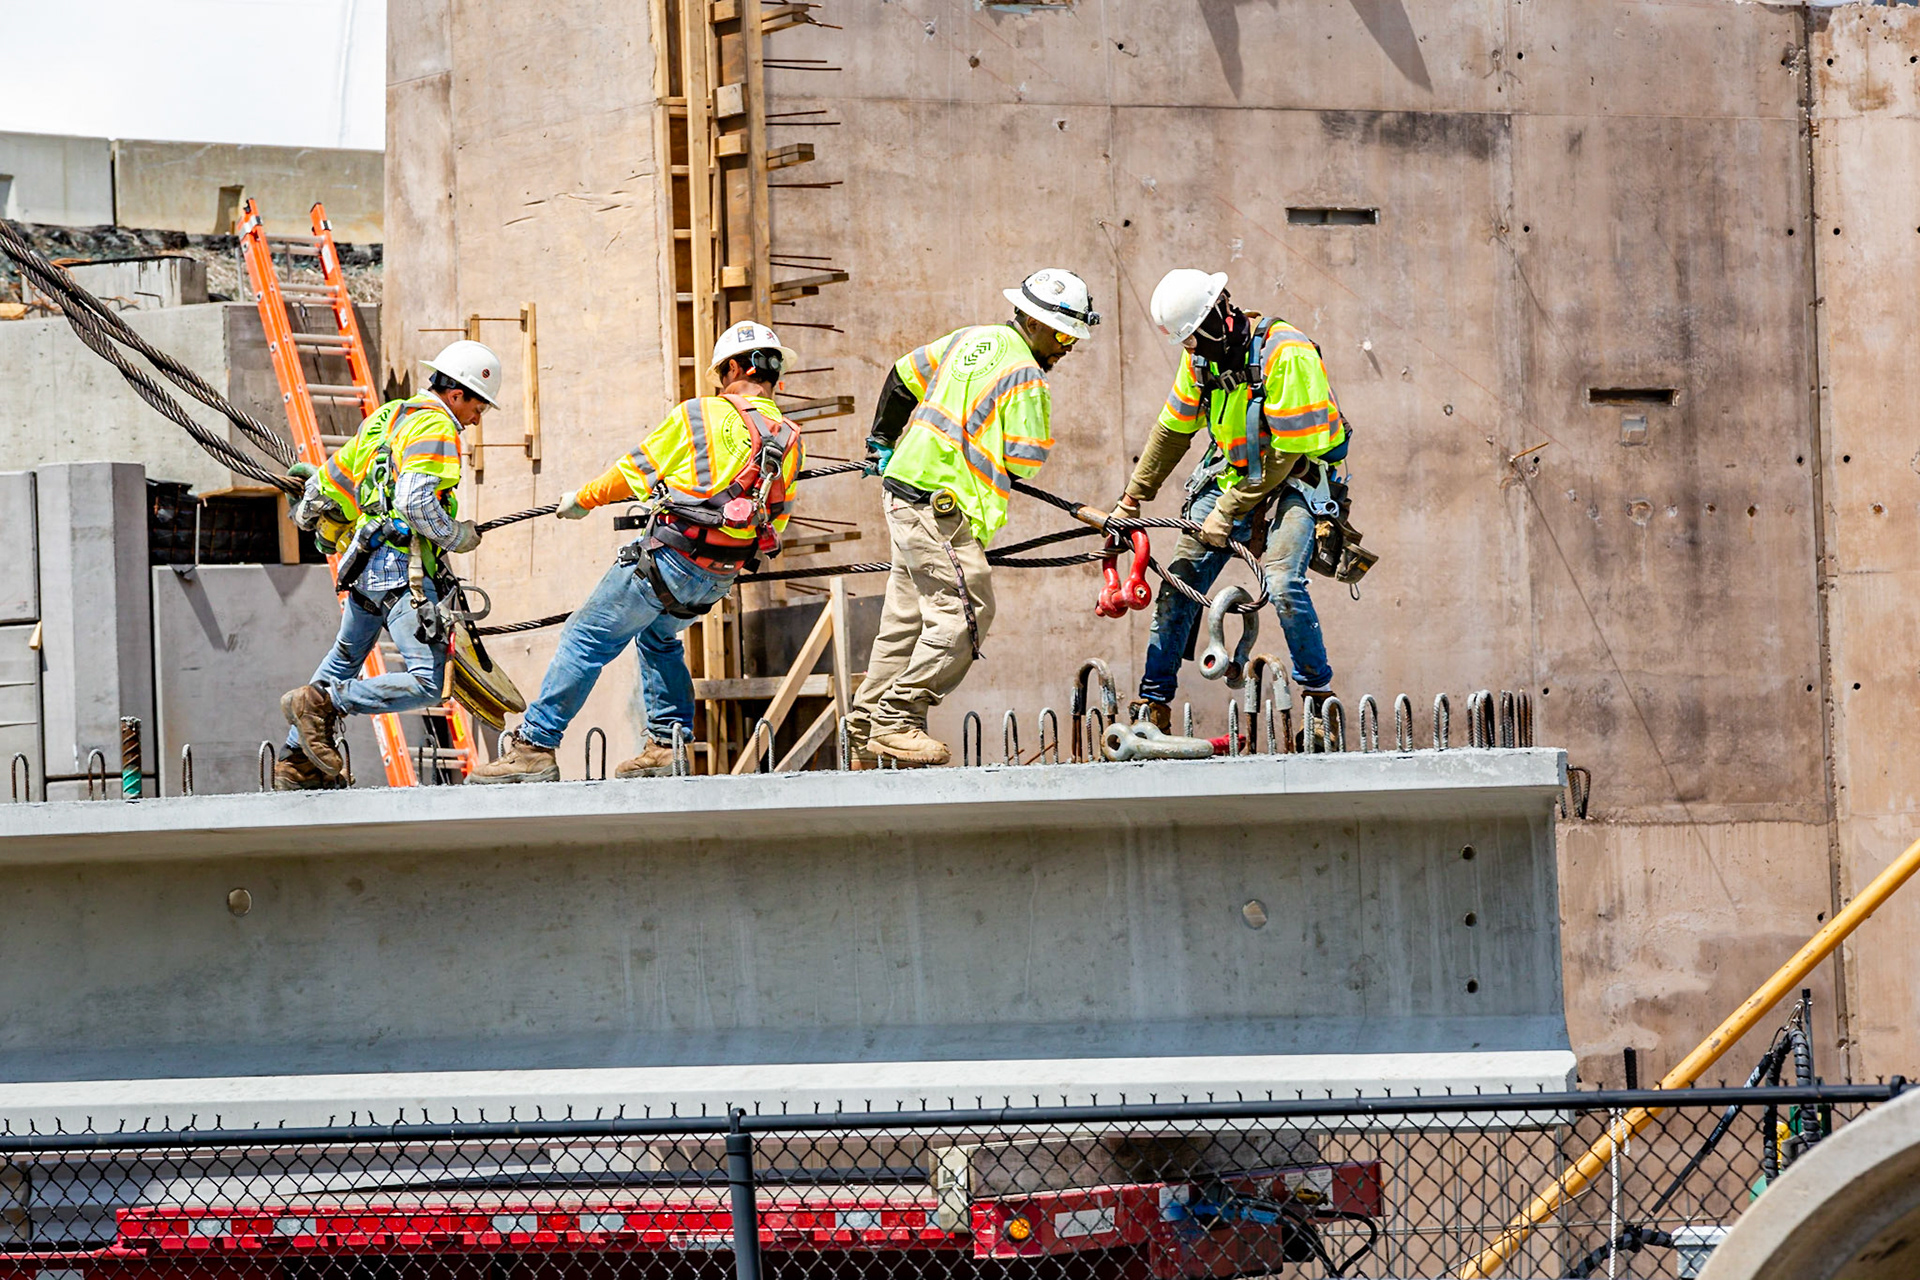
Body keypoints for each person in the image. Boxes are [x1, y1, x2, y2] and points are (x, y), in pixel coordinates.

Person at [471, 321, 804, 783]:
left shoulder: (699, 414)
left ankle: (534, 747)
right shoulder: (789, 436)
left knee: (586, 638)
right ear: (773, 372)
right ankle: (667, 745)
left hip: (669, 561)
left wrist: (582, 500)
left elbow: (634, 472)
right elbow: (778, 518)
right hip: (718, 575)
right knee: (658, 637)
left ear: (730, 367)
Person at [844, 268, 1096, 767]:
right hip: (942, 509)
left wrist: (882, 441)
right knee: (967, 611)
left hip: (903, 492)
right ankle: (898, 718)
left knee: (905, 623)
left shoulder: (971, 338)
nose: (1067, 347)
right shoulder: (1027, 374)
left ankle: (864, 732)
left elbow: (903, 374)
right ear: (1036, 323)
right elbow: (1025, 458)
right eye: (1064, 335)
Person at [1105, 269, 1347, 731]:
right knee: (1180, 584)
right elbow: (1172, 432)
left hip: (1298, 478)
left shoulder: (1285, 352)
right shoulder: (1200, 360)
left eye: (1194, 338)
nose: (1190, 349)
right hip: (1233, 474)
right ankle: (1153, 705)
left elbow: (1286, 452)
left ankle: (1320, 701)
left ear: (1220, 315)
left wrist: (1226, 509)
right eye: (1185, 342)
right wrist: (1131, 499)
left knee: (1282, 585)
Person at [274, 340, 499, 789]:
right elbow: (415, 503)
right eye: (479, 405)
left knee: (344, 657)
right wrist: (458, 535)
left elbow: (337, 479)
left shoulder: (392, 416)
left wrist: (313, 504)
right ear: (457, 395)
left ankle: (296, 762)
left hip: (366, 564)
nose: (478, 418)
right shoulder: (438, 427)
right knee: (427, 685)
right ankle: (327, 702)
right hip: (404, 571)